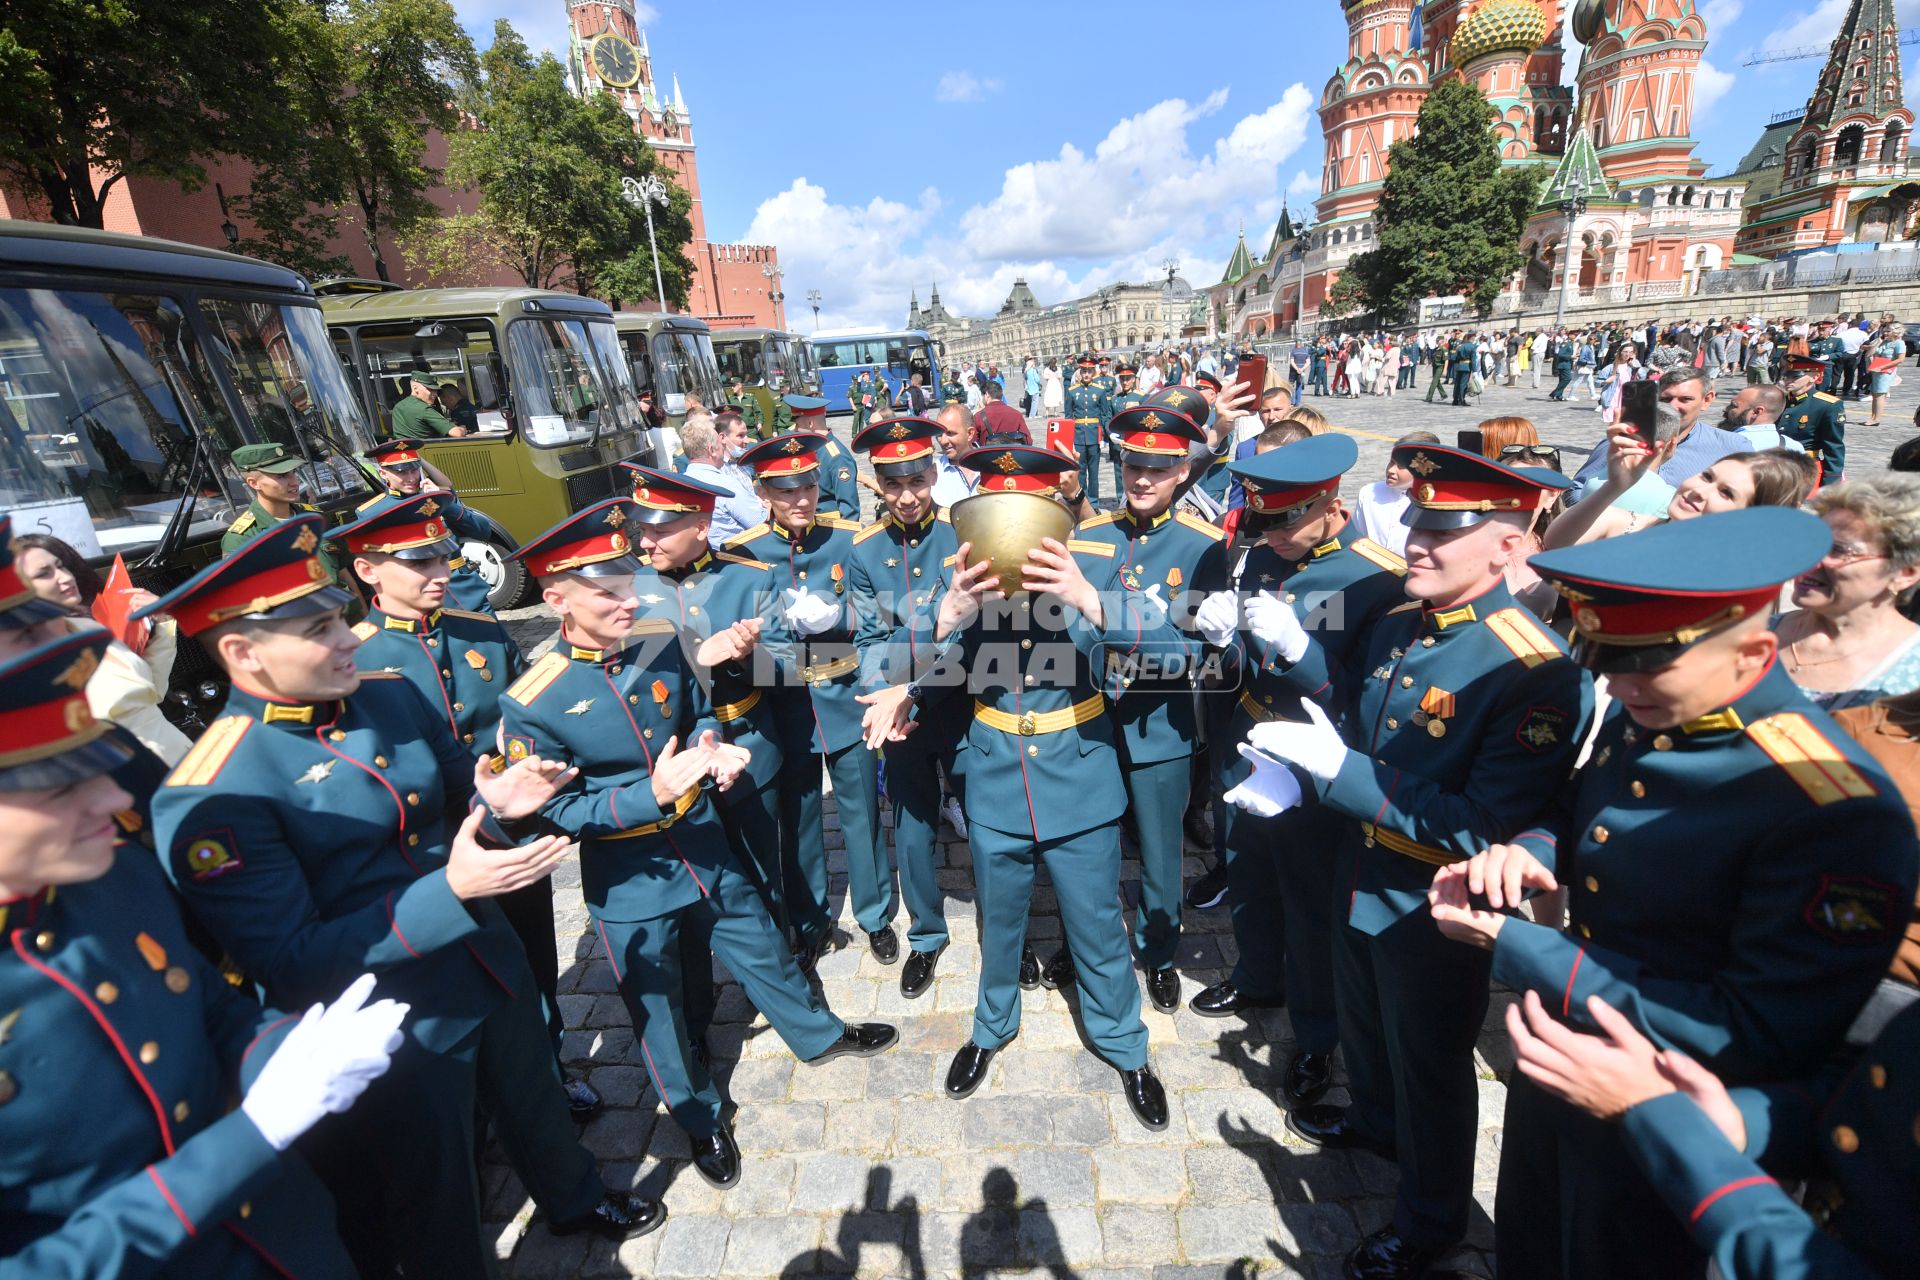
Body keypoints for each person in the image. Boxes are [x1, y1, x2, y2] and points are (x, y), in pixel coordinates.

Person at [143, 516, 661, 1276]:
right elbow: (289, 960)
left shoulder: (387, 697)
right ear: (241, 652)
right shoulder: (213, 793)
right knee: (435, 1188)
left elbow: (460, 796)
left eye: (337, 615)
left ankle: (574, 1195)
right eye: (320, 628)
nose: (350, 637)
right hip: (386, 1013)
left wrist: (500, 802)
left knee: (534, 1097)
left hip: (484, 952)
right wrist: (449, 889)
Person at [1428, 506, 1919, 1280]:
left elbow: (1750, 1030)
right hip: (1565, 1052)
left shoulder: (1833, 812)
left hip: (1675, 1104)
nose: (1618, 686)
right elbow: (1587, 806)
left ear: (1755, 652)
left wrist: (1516, 941)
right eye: (1607, 659)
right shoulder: (1664, 709)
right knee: (1531, 1240)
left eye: (1646, 664)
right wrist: (1530, 850)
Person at [1234, 443, 1589, 1279]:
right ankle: (1375, 1122)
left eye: (1444, 531)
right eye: (1417, 523)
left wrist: (1341, 776)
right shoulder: (1401, 616)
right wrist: (1298, 655)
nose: (1418, 543)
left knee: (1431, 1064)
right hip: (1358, 869)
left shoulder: (1528, 665)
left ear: (1509, 545)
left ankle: (1431, 1220)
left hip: (1435, 899)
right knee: (1366, 1029)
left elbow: (1488, 825)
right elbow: (1356, 712)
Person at [500, 495, 896, 1193]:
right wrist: (643, 797)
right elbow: (552, 812)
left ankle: (817, 1033)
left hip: (701, 840)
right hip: (630, 873)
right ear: (556, 596)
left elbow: (699, 714)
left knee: (760, 945)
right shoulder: (534, 700)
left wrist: (713, 749)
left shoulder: (657, 642)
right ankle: (699, 1115)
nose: (628, 597)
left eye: (627, 580)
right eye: (607, 589)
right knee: (659, 1007)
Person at [0, 625, 413, 1278]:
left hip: (288, 1239)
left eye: (102, 769)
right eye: (61, 788)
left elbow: (210, 1007)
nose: (113, 799)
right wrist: (250, 1138)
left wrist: (292, 1050)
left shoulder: (115, 878)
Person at [858, 443, 1172, 1129]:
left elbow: (1175, 656)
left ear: (1052, 510)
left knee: (1094, 924)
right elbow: (904, 661)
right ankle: (990, 1028)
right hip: (996, 774)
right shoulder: (961, 575)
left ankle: (1125, 1044)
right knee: (999, 924)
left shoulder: (1095, 565)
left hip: (1079, 776)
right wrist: (933, 640)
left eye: (1023, 510)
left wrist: (1089, 601)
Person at [334, 493, 601, 1123]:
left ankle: (546, 1066)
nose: (439, 573)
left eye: (441, 558)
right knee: (447, 976)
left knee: (534, 956)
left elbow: (519, 720)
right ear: (367, 570)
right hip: (423, 853)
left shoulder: (480, 631)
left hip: (507, 833)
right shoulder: (354, 657)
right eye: (417, 562)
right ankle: (473, 1094)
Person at [1190, 435, 1410, 1107]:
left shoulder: (1375, 578)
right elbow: (1236, 668)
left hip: (1317, 757)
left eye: (1287, 520)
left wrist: (1302, 651)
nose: (1273, 536)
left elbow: (1373, 698)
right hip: (1248, 735)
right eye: (1262, 520)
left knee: (1313, 905)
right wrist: (1219, 643)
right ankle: (1258, 975)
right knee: (1248, 872)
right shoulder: (1254, 551)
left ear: (1329, 503)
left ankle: (1317, 1037)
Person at [1072, 403, 1228, 1014]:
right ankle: (1091, 944)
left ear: (1184, 471)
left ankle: (1160, 949)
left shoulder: (1204, 548)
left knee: (1162, 852)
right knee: (1092, 846)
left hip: (1159, 724)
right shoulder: (1089, 537)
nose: (1142, 478)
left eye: (1159, 468)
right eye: (1134, 463)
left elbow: (1196, 657)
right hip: (1089, 718)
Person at [725, 433, 888, 967]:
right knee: (799, 823)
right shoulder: (747, 552)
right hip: (787, 707)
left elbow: (880, 613)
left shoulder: (847, 539)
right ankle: (810, 919)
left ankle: (876, 913)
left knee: (862, 813)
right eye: (785, 489)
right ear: (763, 490)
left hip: (846, 697)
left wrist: (839, 618)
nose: (800, 499)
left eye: (808, 486)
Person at [846, 417, 968, 997]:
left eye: (917, 479)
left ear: (935, 472)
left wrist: (913, 680)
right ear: (877, 484)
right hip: (903, 715)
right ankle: (926, 933)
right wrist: (892, 699)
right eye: (892, 485)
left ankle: (1012, 935)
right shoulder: (866, 553)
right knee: (913, 826)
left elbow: (981, 629)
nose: (907, 496)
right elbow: (867, 644)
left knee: (991, 828)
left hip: (969, 702)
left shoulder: (965, 531)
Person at [12, 531, 192, 765]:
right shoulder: (23, 664)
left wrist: (161, 622)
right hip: (132, 779)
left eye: (61, 566)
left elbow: (152, 692)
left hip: (181, 757)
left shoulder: (89, 627)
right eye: (44, 574)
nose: (65, 578)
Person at [1773, 475, 1920, 711]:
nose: (1813, 560)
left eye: (1839, 550)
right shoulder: (1752, 633)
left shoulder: (1912, 673)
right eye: (1814, 542)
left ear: (1905, 573)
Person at [1548, 428, 1816, 548]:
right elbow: (1555, 543)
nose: (1701, 491)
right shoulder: (1628, 523)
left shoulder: (1737, 573)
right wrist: (1613, 488)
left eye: (1726, 493)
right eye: (1707, 477)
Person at [1566, 367, 1749, 509]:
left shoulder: (1732, 447)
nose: (1673, 407)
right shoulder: (1621, 441)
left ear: (1707, 400)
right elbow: (1574, 491)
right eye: (1665, 399)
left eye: (1685, 399)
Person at [357, 438, 500, 613]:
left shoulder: (439, 496)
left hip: (464, 588)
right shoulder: (373, 512)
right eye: (401, 473)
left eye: (414, 470)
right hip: (418, 596)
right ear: (383, 473)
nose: (410, 478)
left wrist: (445, 504)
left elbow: (482, 531)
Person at [681, 410, 769, 548]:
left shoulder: (681, 482)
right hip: (737, 555)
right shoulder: (726, 484)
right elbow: (758, 521)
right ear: (711, 450)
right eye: (720, 445)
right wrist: (768, 508)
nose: (723, 447)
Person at [1351, 431, 1436, 557]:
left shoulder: (1435, 501)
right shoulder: (1369, 493)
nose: (1391, 470)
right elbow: (1358, 538)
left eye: (1401, 466)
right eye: (1391, 462)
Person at [1778, 354, 1848, 484]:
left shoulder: (1827, 405)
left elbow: (1833, 446)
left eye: (1795, 376)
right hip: (1774, 465)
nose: (1788, 380)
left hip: (1803, 468)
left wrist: (1831, 481)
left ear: (1814, 377)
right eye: (1786, 375)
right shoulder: (1778, 400)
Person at [1064, 355, 1112, 505]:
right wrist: (1069, 439)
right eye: (1083, 370)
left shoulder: (1100, 391)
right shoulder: (1072, 391)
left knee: (1094, 472)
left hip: (1094, 436)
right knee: (1080, 472)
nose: (1086, 374)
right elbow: (1068, 417)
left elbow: (1105, 414)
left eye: (1089, 371)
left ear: (1093, 373)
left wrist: (1104, 436)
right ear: (1080, 372)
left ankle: (1094, 502)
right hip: (1078, 436)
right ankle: (1081, 502)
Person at [1718, 383, 1805, 453]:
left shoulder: (1725, 443)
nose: (1725, 409)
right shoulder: (1793, 447)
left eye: (1733, 406)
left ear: (1756, 412)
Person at [389, 371, 471, 439]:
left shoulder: (398, 406)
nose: (435, 394)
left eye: (435, 390)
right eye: (430, 389)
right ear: (415, 388)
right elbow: (457, 433)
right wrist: (463, 428)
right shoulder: (424, 409)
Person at [1864, 318, 1905, 427]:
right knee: (1874, 393)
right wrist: (1878, 342)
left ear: (1895, 332)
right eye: (1884, 331)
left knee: (1880, 394)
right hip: (1876, 370)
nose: (1885, 333)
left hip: (1886, 371)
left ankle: (1876, 419)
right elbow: (1872, 353)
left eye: (1888, 331)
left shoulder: (1899, 343)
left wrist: (1883, 367)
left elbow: (1900, 359)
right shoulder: (1884, 342)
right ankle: (1873, 417)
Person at [1449, 331, 1479, 406]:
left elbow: (1453, 357)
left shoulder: (1460, 346)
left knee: (1457, 383)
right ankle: (1462, 399)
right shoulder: (1473, 347)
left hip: (1459, 366)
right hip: (1467, 367)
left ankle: (1455, 400)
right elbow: (1473, 360)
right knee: (1463, 384)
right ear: (1472, 338)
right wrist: (1475, 370)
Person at [1548, 331, 1576, 401]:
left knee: (1562, 380)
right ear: (1570, 335)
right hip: (1564, 364)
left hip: (1567, 364)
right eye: (1574, 335)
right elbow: (1560, 354)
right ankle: (1555, 393)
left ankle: (1559, 396)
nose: (1575, 336)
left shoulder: (1570, 343)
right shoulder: (1566, 343)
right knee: (1568, 378)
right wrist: (1570, 356)